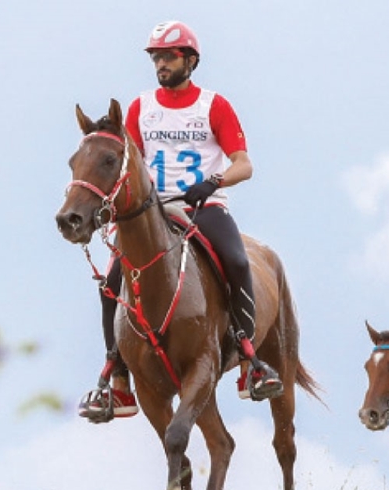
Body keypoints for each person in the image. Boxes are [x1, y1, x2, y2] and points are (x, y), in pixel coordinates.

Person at [79, 20, 283, 421]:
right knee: (111, 283)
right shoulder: (140, 108)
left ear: (190, 60)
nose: (161, 64)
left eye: (169, 56)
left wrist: (212, 182)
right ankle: (116, 379)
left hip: (204, 206)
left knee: (237, 261)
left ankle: (248, 359)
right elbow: (128, 167)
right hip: (153, 211)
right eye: (156, 57)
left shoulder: (214, 106)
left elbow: (245, 165)